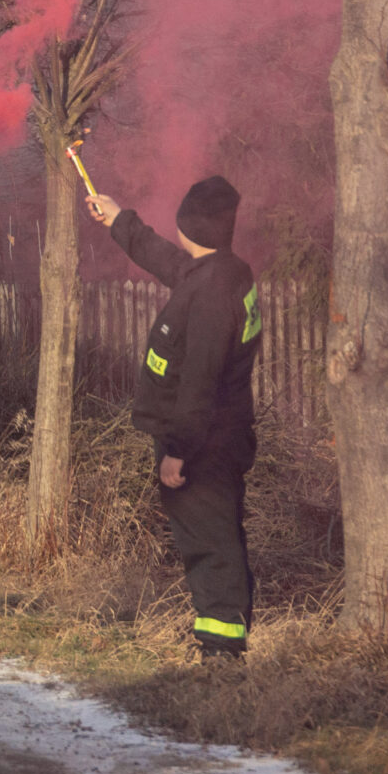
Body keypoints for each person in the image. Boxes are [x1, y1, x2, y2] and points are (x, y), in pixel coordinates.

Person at [86, 176, 260, 659]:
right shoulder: (222, 271)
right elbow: (169, 261)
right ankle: (227, 637)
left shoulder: (210, 295)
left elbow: (199, 382)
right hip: (218, 434)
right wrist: (119, 220)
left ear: (191, 226)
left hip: (201, 443)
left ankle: (221, 654)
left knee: (210, 540)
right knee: (219, 532)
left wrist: (178, 451)